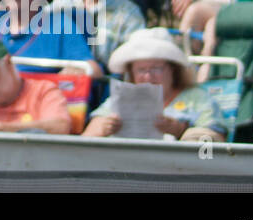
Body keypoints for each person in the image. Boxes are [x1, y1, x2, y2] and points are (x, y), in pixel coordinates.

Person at [82, 28, 226, 142]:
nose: (148, 76)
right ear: (131, 73)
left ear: (173, 69)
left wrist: (182, 131)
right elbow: (86, 140)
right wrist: (104, 129)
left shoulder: (198, 99)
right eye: (141, 70)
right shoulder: (120, 100)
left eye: (156, 68)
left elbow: (215, 145)